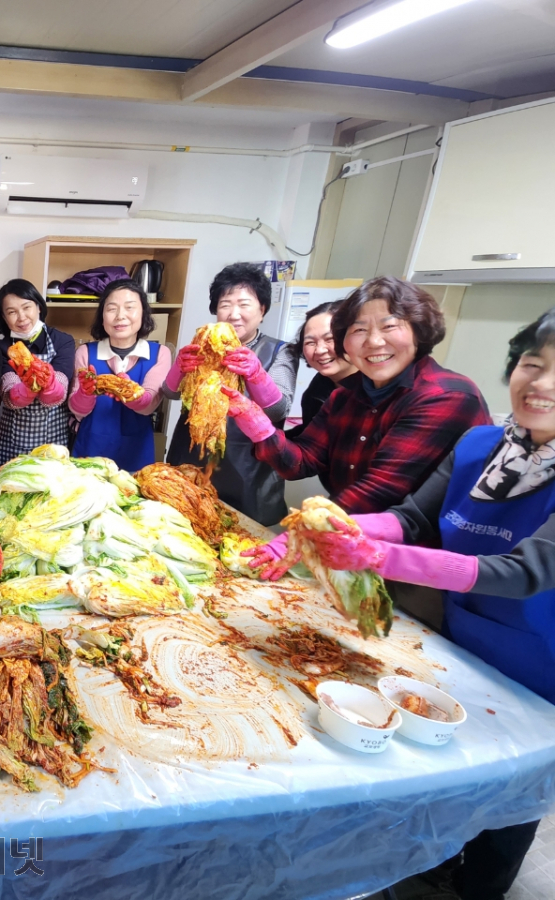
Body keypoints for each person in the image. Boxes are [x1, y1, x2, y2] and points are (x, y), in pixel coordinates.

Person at [277, 308, 555, 900]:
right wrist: (317, 529)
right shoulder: (481, 446)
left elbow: (527, 571)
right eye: (533, 364)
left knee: (514, 782)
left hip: (543, 655)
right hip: (463, 633)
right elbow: (411, 517)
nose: (542, 384)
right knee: (453, 757)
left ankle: (481, 887)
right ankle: (436, 857)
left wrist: (376, 557)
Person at [224, 277, 490, 516]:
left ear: (418, 331)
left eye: (389, 326)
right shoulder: (343, 397)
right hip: (354, 534)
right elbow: (301, 461)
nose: (374, 341)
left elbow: (378, 493)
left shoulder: (446, 396)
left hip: (426, 547)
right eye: (359, 330)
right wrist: (256, 423)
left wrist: (305, 531)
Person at [164, 263, 297, 526]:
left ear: (262, 310)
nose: (234, 314)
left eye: (244, 304)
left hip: (248, 471)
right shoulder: (202, 345)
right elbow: (171, 394)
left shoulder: (280, 351)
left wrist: (256, 374)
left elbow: (278, 411)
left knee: (240, 537)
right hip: (192, 458)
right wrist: (179, 368)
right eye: (225, 304)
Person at [69, 278, 170, 471]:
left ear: (143, 312)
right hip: (90, 452)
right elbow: (77, 410)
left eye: (129, 307)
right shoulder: (85, 352)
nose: (120, 316)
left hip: (136, 454)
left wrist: (128, 391)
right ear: (102, 316)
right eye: (111, 309)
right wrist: (85, 393)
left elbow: (148, 405)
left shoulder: (159, 353)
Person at [0, 278, 76, 465]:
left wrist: (49, 384)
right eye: (12, 312)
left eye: (26, 307)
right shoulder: (0, 348)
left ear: (38, 307)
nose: (21, 317)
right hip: (11, 443)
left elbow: (59, 391)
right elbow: (10, 396)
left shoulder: (63, 341)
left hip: (54, 441)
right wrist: (27, 388)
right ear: (4, 317)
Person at [286, 301, 358, 439]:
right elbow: (312, 436)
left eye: (330, 339)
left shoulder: (378, 389)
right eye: (310, 342)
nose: (319, 350)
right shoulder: (316, 391)